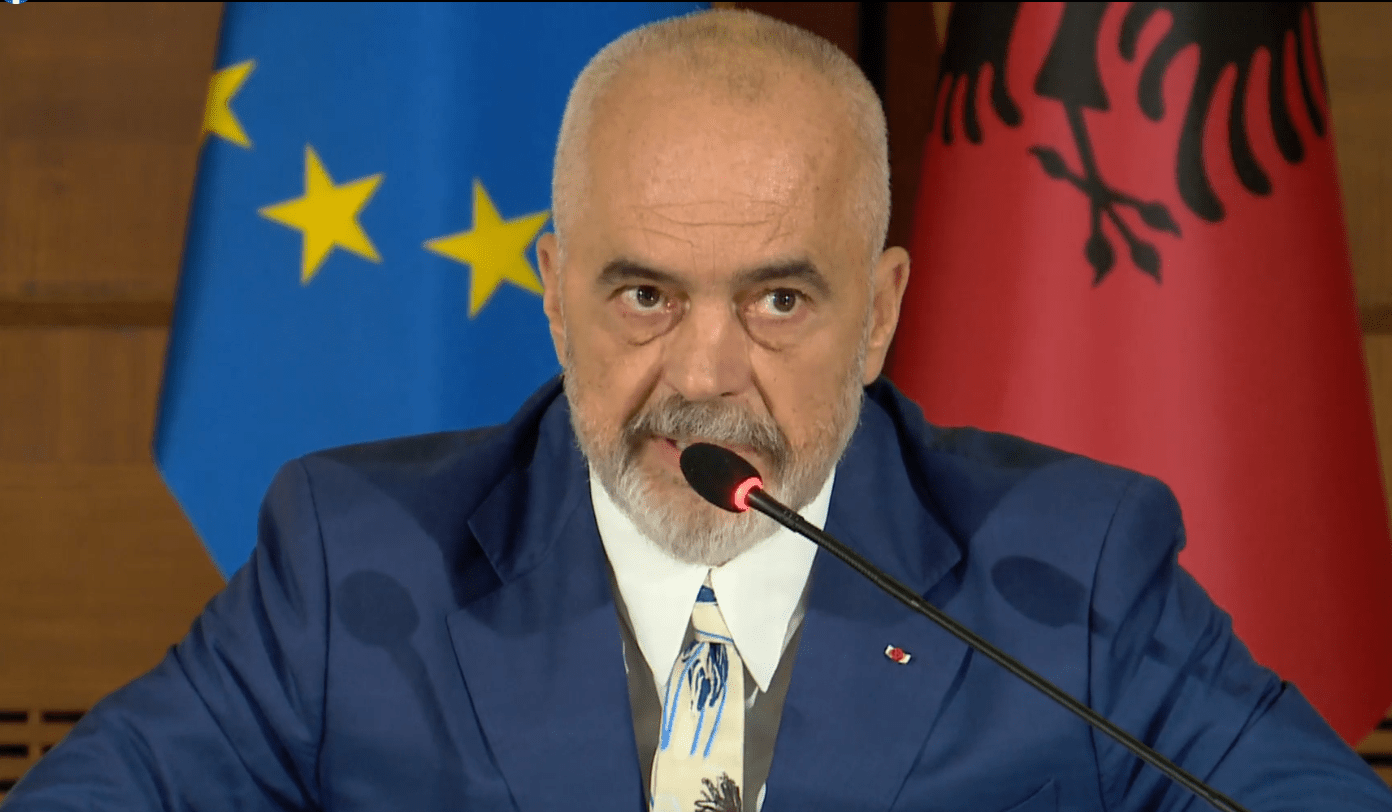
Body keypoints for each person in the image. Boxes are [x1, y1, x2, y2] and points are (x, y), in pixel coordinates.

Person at [6, 9, 1391, 812]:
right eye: (644, 296)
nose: (706, 376)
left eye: (780, 299)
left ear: (882, 312)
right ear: (555, 297)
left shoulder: (1065, 573)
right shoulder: (356, 564)